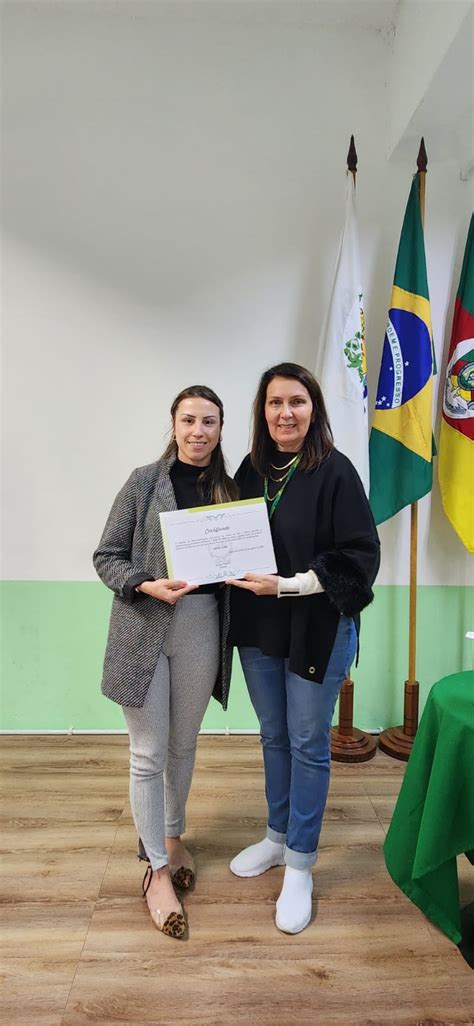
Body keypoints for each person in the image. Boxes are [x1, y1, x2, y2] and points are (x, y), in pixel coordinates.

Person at [228, 362, 380, 935]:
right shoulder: (251, 469)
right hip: (260, 627)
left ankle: (300, 864)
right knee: (273, 734)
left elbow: (359, 559)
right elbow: (226, 535)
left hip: (318, 624)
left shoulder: (336, 471)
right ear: (261, 412)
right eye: (274, 403)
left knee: (309, 742)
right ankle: (275, 835)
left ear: (313, 408)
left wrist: (287, 585)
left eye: (296, 402)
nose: (284, 413)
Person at [93, 385, 237, 938]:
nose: (199, 431)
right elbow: (106, 556)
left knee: (183, 745)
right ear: (173, 425)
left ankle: (172, 836)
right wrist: (143, 583)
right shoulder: (141, 483)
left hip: (203, 627)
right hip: (145, 626)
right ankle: (155, 869)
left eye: (209, 421)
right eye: (189, 420)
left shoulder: (230, 489)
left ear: (221, 429)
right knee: (148, 752)